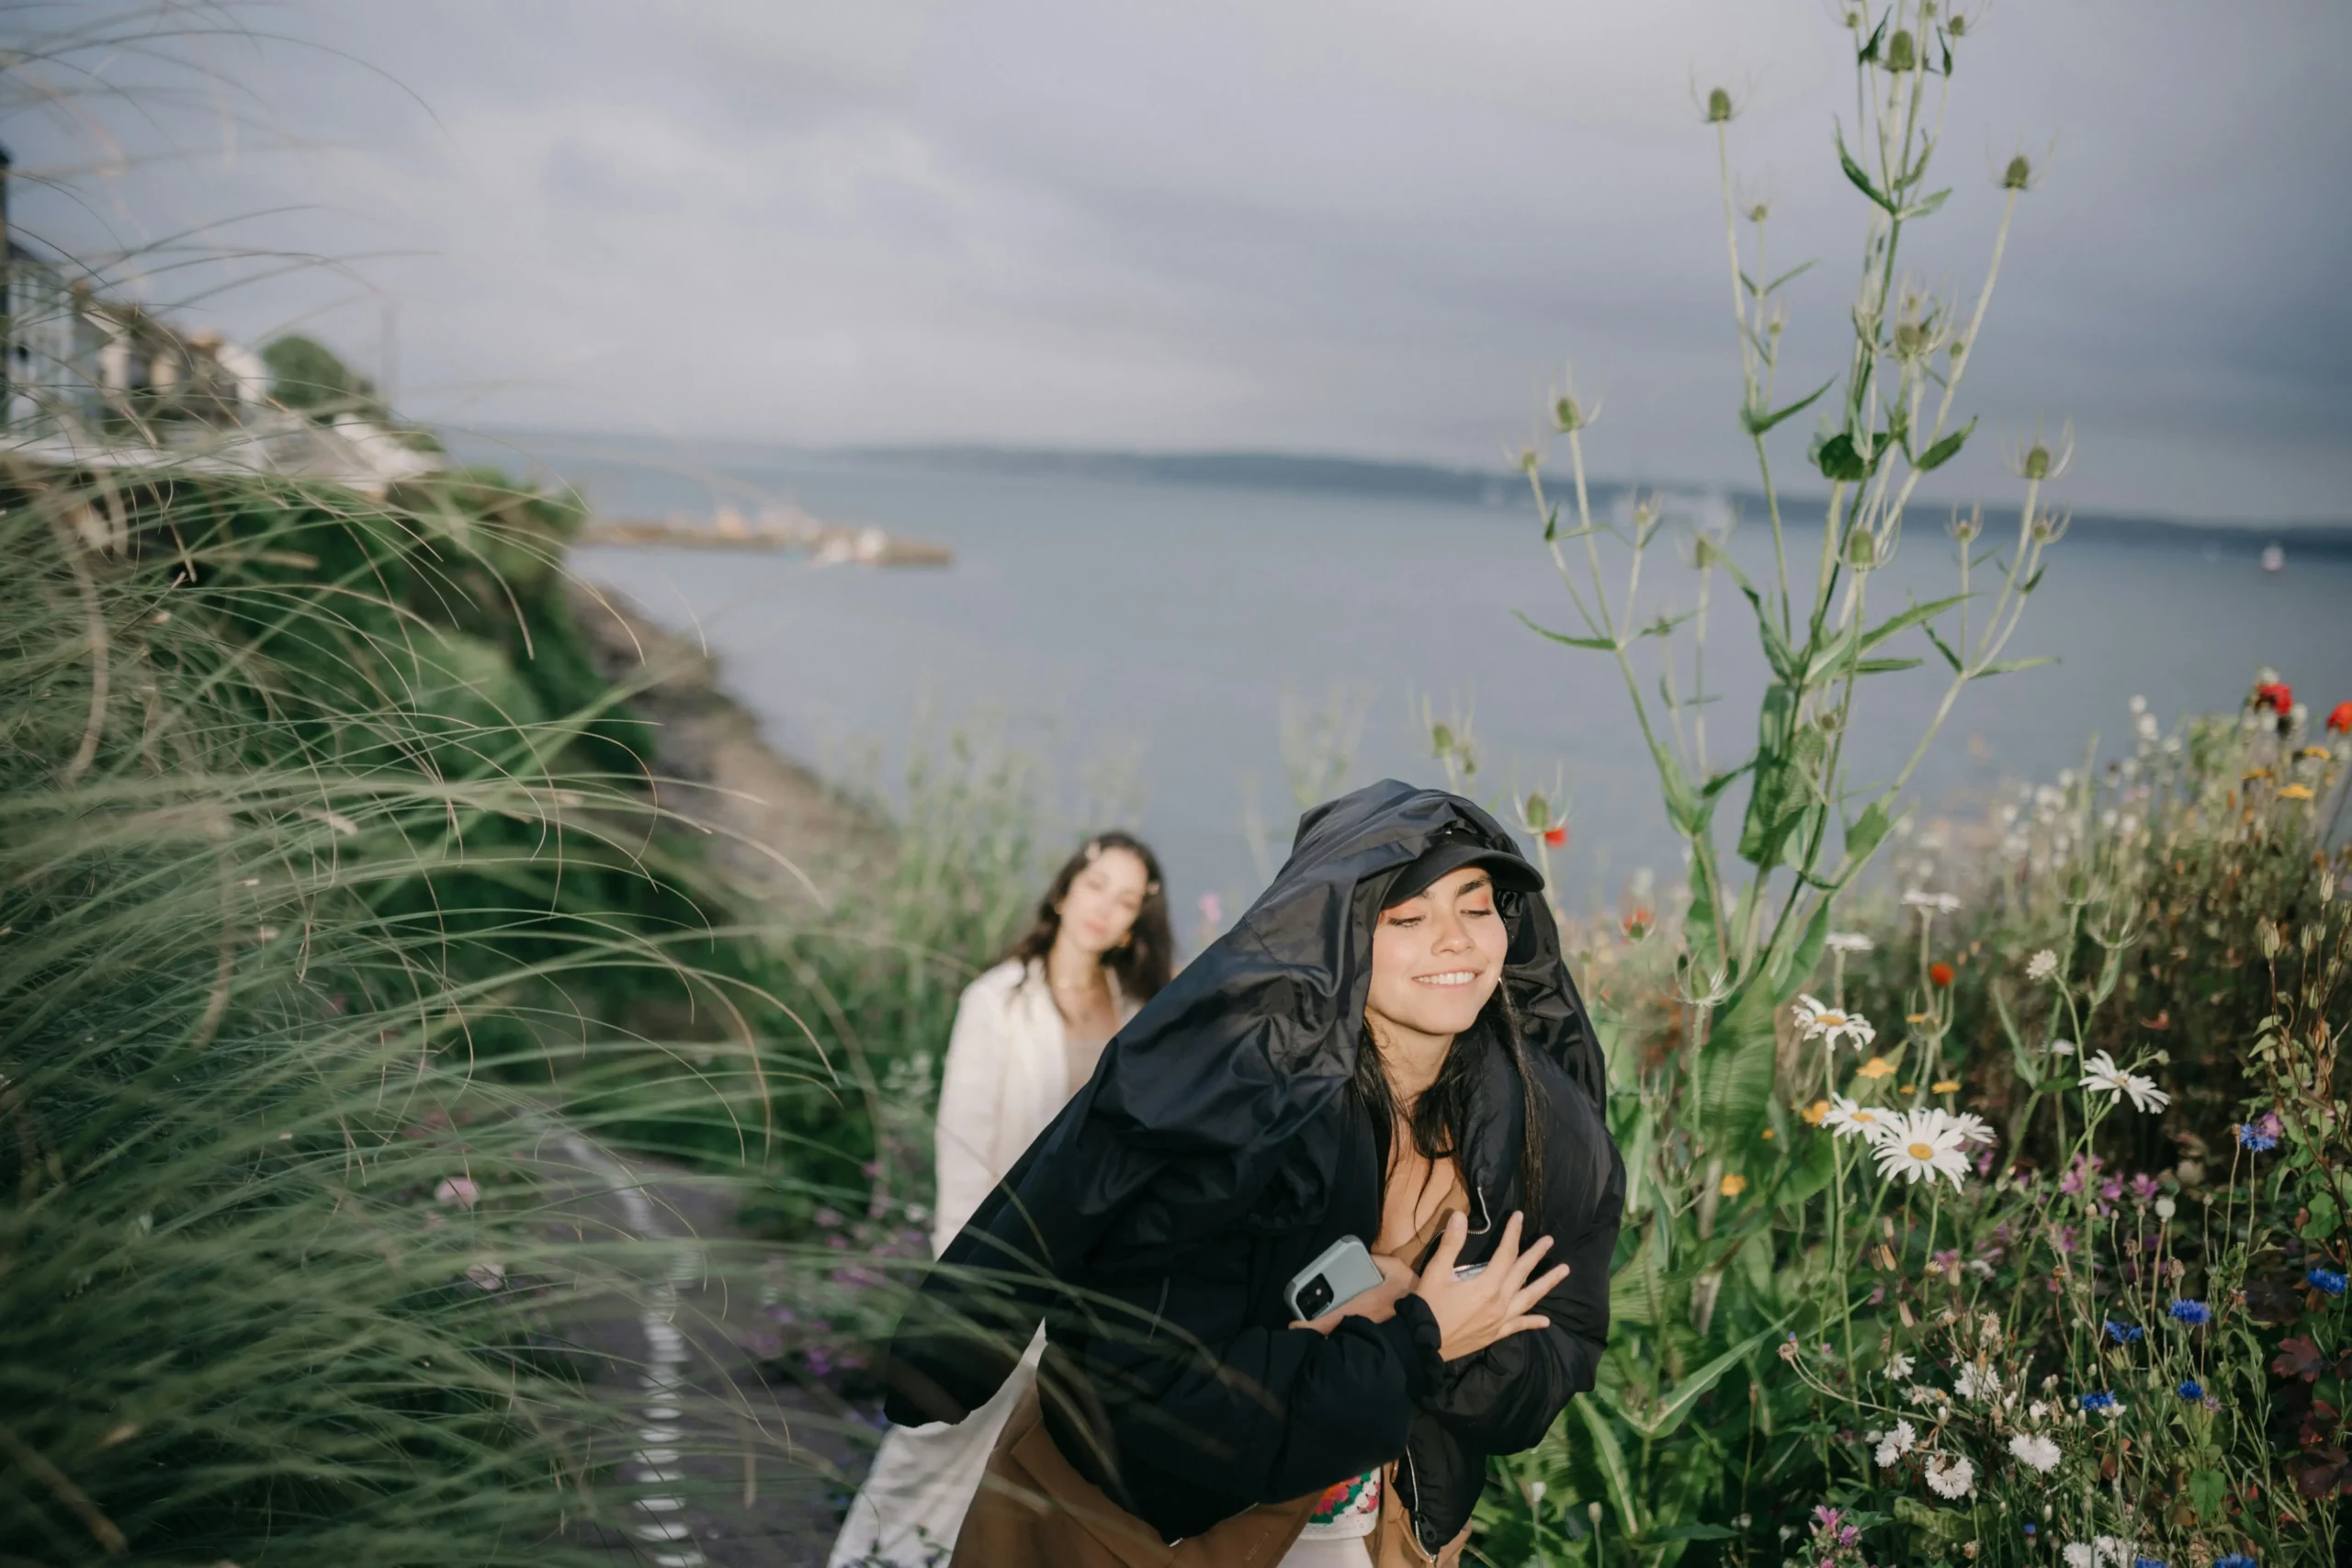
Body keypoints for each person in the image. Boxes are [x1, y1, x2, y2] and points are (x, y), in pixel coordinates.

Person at [884, 780, 1624, 1566]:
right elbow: (1156, 1399)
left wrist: (1429, 1353)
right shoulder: (1240, 1114)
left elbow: (1563, 1341)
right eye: (1408, 917)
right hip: (1131, 1533)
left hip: (1382, 1539)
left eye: (1477, 907)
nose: (1457, 941)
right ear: (1336, 936)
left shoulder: (1543, 1124)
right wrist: (1419, 1337)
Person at [829, 832, 1173, 1568]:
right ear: (1063, 890)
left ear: (1136, 919)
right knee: (933, 1434)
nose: (1103, 907)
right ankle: (863, 1557)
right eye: (1095, 884)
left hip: (1092, 1278)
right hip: (1003, 1261)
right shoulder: (997, 1001)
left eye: (1125, 898)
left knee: (1013, 1453)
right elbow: (964, 1145)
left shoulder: (1138, 1007)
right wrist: (965, 1281)